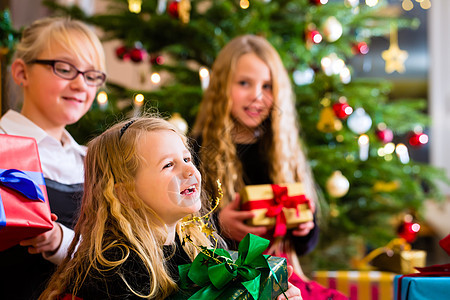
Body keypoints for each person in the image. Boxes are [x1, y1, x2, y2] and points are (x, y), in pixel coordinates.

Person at [39, 117, 302, 300]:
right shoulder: (114, 271)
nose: (190, 169)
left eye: (187, 158)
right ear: (125, 193)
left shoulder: (202, 249)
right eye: (168, 165)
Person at [191, 34, 347, 300]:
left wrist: (305, 229)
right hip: (228, 282)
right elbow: (182, 232)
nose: (257, 96)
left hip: (283, 277)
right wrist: (219, 225)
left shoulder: (283, 147)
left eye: (267, 86)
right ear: (221, 86)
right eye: (244, 83)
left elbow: (307, 242)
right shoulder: (197, 150)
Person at [0, 17, 106, 299]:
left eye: (92, 75)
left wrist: (59, 240)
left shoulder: (90, 161)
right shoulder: (2, 145)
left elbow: (108, 255)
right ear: (22, 73)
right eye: (65, 69)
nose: (81, 85)